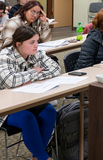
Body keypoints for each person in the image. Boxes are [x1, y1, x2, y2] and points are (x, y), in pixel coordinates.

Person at [0, 26, 60, 160]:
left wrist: (28, 78)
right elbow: (10, 81)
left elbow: (56, 68)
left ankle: (37, 156)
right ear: (18, 44)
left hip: (27, 99)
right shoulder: (6, 54)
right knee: (28, 118)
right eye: (32, 42)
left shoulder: (36, 52)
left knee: (49, 111)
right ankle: (44, 157)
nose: (36, 45)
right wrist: (34, 71)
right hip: (6, 106)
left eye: (37, 41)